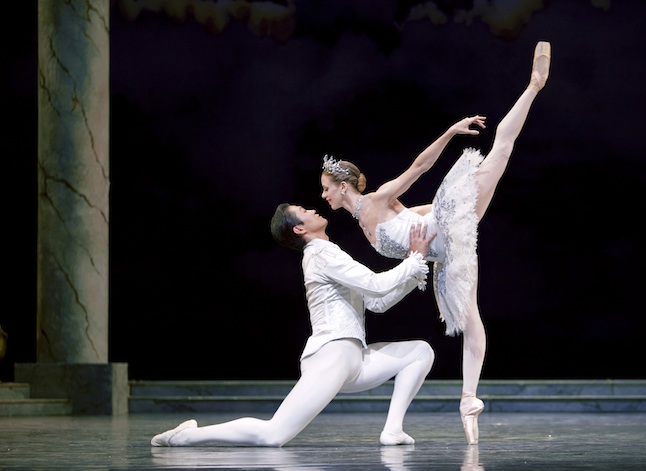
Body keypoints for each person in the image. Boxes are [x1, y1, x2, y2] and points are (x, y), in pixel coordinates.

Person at [319, 41, 551, 445]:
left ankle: (534, 85)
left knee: (499, 152)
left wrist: (450, 131)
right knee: (469, 319)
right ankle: (469, 401)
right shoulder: (362, 226)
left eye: (326, 189)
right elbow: (418, 225)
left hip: (449, 228)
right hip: (447, 255)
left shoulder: (377, 201)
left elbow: (420, 166)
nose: (323, 196)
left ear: (342, 187)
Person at [150, 204, 437, 448]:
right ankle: (186, 436)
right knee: (273, 435)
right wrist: (413, 259)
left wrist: (414, 270)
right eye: (303, 211)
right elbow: (376, 285)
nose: (312, 209)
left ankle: (392, 430)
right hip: (332, 355)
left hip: (354, 360)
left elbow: (376, 303)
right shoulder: (321, 253)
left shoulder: (328, 251)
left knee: (420, 352)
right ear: (299, 229)